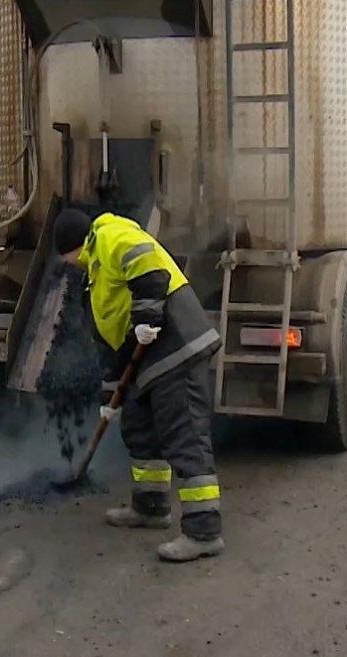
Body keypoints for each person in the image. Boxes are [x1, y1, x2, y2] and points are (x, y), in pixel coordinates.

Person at [53, 208, 225, 562]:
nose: (69, 266)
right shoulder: (94, 274)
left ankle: (203, 530)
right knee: (140, 428)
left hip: (175, 344)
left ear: (73, 247)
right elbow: (113, 342)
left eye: (66, 258)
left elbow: (150, 270)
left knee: (184, 435)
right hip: (147, 358)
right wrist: (111, 394)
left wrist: (147, 316)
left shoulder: (110, 235)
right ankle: (150, 507)